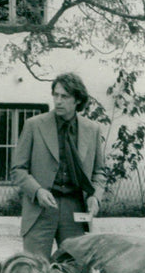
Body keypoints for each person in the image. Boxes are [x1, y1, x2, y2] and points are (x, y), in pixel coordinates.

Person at [11, 72, 108, 259]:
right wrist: (37, 191)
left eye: (65, 96)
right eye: (55, 95)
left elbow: (99, 172)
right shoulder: (34, 125)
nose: (58, 101)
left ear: (78, 100)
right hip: (40, 209)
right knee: (34, 272)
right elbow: (17, 169)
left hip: (75, 209)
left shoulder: (92, 129)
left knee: (73, 270)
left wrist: (95, 197)